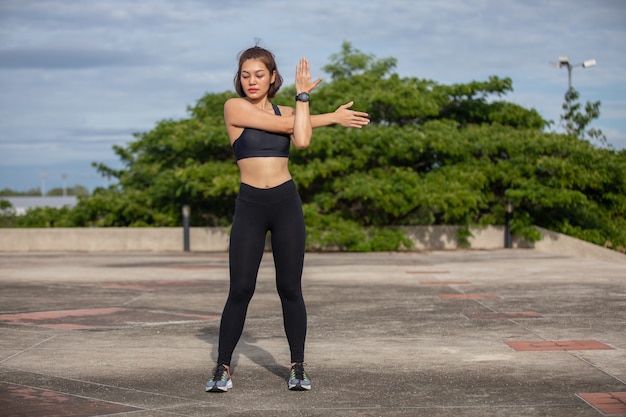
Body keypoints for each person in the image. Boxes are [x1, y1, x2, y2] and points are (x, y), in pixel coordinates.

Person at [205, 45, 369, 393]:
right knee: (241, 289)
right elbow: (284, 125)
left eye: (259, 75)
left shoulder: (291, 108)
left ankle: (298, 366)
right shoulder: (233, 107)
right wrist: (330, 117)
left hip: (285, 202)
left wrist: (304, 98)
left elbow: (303, 139)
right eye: (246, 75)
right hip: (250, 204)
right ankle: (222, 367)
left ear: (272, 78)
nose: (252, 81)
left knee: (290, 288)